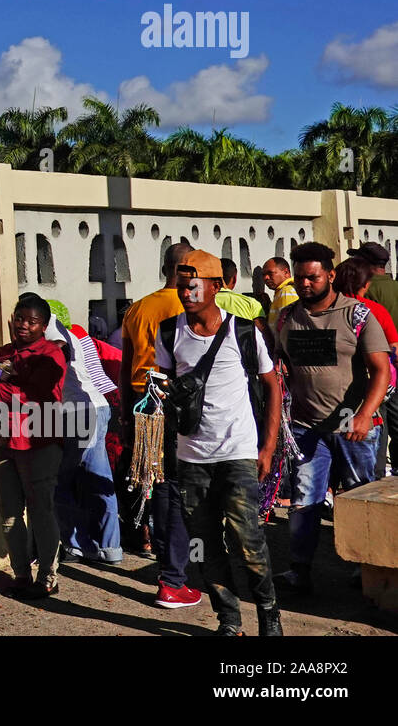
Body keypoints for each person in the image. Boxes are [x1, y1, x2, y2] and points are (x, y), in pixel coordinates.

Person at [155, 249, 283, 636]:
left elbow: (271, 384)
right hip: (191, 455)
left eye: (193, 285)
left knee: (249, 540)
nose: (186, 292)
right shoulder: (168, 331)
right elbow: (164, 385)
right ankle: (228, 620)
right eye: (181, 285)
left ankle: (268, 615)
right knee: (204, 545)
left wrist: (268, 446)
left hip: (239, 452)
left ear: (215, 286)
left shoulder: (243, 330)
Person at [272, 242, 390, 595]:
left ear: (331, 275)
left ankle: (367, 570)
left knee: (359, 499)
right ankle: (299, 570)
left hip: (352, 427)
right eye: (299, 278)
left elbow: (381, 370)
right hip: (306, 428)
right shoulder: (286, 318)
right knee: (305, 499)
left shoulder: (357, 316)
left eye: (313, 277)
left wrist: (365, 415)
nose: (305, 284)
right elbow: (280, 365)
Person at [118, 242, 202, 608]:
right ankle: (174, 575)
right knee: (176, 486)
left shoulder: (139, 307)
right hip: (177, 403)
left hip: (142, 403)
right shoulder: (190, 306)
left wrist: (125, 409)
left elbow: (125, 363)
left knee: (156, 484)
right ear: (185, 269)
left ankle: (164, 561)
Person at [0, 293, 67, 598]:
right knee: (9, 513)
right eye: (19, 319)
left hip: (39, 442)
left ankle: (48, 576)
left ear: (44, 326)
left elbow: (32, 395)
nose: (23, 326)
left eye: (32, 321)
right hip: (4, 441)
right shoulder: (3, 352)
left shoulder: (51, 354)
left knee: (41, 510)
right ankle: (21, 573)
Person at [47, 304, 122, 565]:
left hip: (79, 411)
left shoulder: (53, 334)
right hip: (100, 406)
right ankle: (111, 547)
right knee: (99, 477)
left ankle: (77, 546)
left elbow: (56, 356)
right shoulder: (80, 337)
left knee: (60, 481)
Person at [332, 257, 398, 480]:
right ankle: (376, 478)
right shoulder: (373, 311)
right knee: (381, 430)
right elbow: (393, 348)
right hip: (376, 392)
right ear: (365, 284)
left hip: (331, 399)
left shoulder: (327, 311)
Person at [264, 256, 298, 331]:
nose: (266, 278)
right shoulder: (281, 291)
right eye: (264, 274)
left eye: (270, 273)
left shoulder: (287, 291)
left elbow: (289, 326)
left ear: (286, 273)